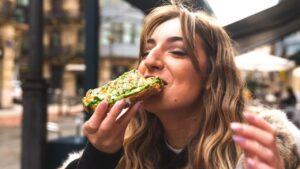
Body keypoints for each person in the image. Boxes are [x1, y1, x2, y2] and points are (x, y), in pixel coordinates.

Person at [61, 1, 300, 169]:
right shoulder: (122, 149)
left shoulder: (260, 151)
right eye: (146, 51)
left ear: (210, 76)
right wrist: (99, 156)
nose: (150, 61)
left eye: (176, 51)